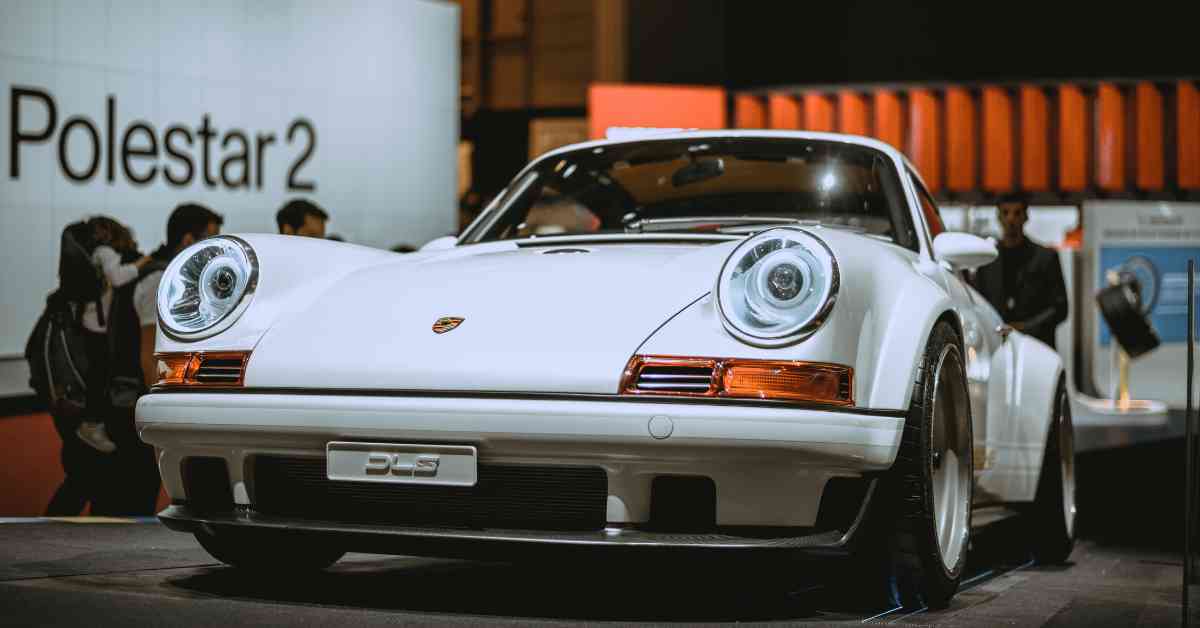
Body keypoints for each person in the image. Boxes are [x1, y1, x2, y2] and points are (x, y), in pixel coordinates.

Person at [89, 203, 223, 515]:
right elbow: (150, 355)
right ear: (189, 240)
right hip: (133, 404)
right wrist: (158, 423)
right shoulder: (159, 280)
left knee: (118, 499)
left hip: (123, 400)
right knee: (132, 499)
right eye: (211, 240)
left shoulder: (148, 271)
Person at [76, 217, 155, 454]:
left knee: (98, 372)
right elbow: (119, 278)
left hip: (94, 321)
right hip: (97, 324)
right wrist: (144, 263)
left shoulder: (96, 252)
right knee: (99, 373)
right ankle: (91, 424)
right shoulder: (105, 251)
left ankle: (95, 421)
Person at [971, 195, 1069, 349]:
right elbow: (977, 304)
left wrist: (1026, 328)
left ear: (1025, 217)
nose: (1011, 219)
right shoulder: (986, 261)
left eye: (1017, 213)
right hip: (997, 347)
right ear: (999, 217)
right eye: (1006, 213)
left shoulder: (1046, 258)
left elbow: (1060, 308)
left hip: (1038, 347)